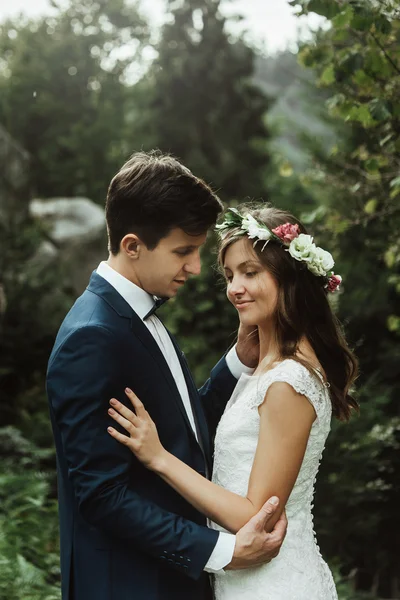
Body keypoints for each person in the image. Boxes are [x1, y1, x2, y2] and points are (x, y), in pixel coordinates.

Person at [46, 154, 287, 600]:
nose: (196, 268)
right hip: (130, 585)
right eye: (183, 251)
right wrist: (224, 551)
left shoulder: (136, 314)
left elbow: (181, 432)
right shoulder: (93, 337)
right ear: (133, 245)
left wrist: (238, 361)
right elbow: (102, 496)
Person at [107, 204, 359, 600]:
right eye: (229, 276)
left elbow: (255, 515)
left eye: (250, 272)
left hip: (273, 586)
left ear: (288, 274)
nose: (234, 288)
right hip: (245, 582)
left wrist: (158, 457)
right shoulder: (264, 368)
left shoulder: (289, 382)